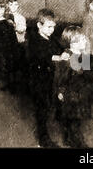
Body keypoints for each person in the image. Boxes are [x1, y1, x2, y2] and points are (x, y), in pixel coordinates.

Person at [53, 26, 93, 148]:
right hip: (73, 92)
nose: (85, 41)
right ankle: (79, 144)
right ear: (72, 43)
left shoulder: (81, 54)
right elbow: (61, 76)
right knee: (74, 118)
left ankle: (68, 138)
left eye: (84, 38)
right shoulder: (68, 58)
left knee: (74, 117)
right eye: (81, 39)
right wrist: (60, 90)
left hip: (81, 91)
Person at [27, 9, 65, 147]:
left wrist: (66, 51)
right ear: (39, 25)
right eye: (49, 27)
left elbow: (60, 48)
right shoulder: (34, 40)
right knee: (41, 108)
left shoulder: (51, 38)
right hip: (38, 80)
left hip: (50, 78)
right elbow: (42, 57)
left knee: (50, 104)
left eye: (53, 27)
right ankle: (43, 139)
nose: (52, 30)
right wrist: (59, 57)